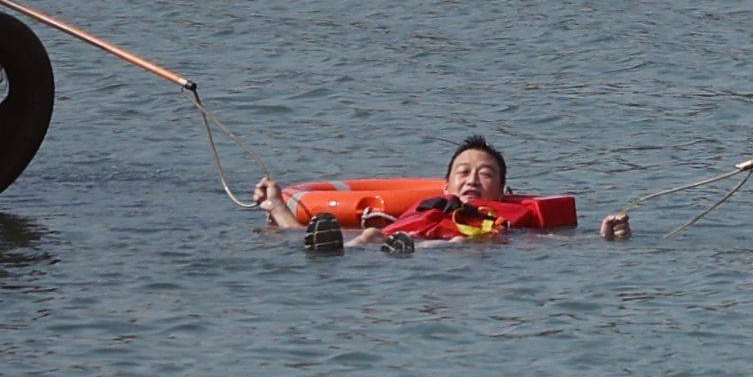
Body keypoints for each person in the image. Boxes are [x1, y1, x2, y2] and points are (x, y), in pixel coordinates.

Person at [252, 138, 634, 248]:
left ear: (503, 190)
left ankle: (346, 251)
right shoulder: (423, 208)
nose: (472, 179)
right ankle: (335, 248)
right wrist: (277, 204)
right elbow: (291, 231)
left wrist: (607, 236)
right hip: (403, 241)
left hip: (452, 247)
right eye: (463, 173)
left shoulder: (513, 220)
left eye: (485, 174)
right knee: (369, 234)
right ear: (446, 186)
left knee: (407, 241)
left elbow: (564, 242)